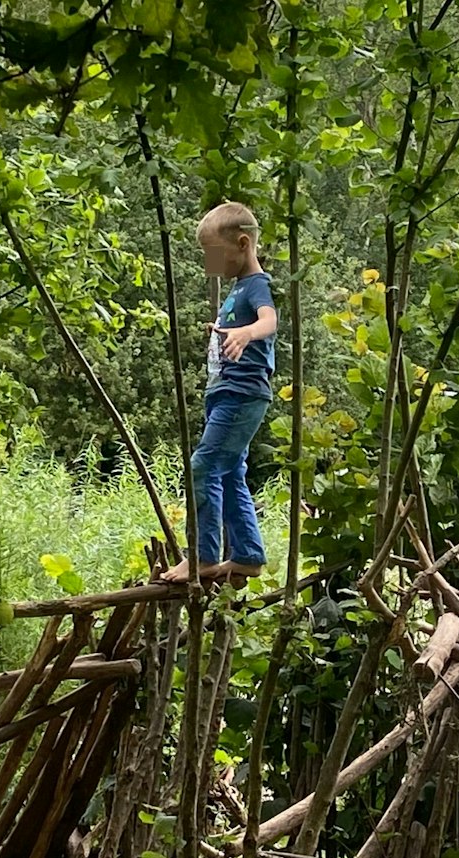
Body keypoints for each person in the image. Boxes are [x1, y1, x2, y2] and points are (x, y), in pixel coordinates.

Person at [160, 201, 277, 584]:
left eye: (214, 253)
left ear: (243, 244)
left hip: (241, 394)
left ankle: (204, 555)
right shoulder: (239, 288)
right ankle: (247, 554)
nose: (209, 262)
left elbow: (268, 321)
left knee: (203, 466)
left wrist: (247, 332)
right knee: (229, 474)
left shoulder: (256, 285)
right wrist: (225, 329)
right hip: (229, 394)